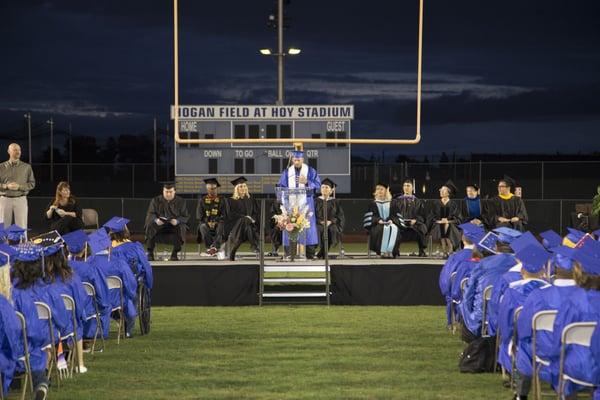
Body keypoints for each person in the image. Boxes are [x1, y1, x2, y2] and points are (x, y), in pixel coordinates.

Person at [513, 245, 578, 400]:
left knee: (523, 343)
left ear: (554, 270)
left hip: (548, 352)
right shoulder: (588, 298)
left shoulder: (538, 296)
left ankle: (521, 394)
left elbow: (524, 330)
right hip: (582, 353)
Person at [496, 244, 549, 383]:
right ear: (543, 270)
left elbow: (505, 325)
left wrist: (508, 340)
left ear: (522, 271)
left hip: (521, 344)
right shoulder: (552, 292)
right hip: (549, 343)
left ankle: (516, 374)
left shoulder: (512, 292)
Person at [42, 242, 89, 373]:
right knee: (77, 323)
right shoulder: (71, 277)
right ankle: (80, 364)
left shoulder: (42, 279)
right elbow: (80, 300)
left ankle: (45, 368)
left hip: (46, 325)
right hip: (68, 325)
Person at [277, 150, 321, 259]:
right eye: (295, 160)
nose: (297, 162)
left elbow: (318, 184)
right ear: (292, 160)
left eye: (299, 160)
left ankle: (310, 253)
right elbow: (281, 187)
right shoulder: (287, 172)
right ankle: (289, 253)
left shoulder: (310, 171)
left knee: (307, 226)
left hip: (306, 203)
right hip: (291, 204)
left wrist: (306, 182)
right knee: (289, 224)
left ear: (303, 159)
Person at [144, 182, 189, 261]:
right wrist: (156, 220)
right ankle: (150, 252)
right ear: (163, 191)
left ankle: (174, 253)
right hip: (159, 225)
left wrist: (177, 221)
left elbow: (185, 216)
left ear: (174, 191)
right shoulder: (156, 200)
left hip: (173, 226)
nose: (168, 194)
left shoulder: (181, 201)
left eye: (170, 192)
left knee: (182, 226)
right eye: (166, 192)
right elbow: (150, 213)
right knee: (150, 224)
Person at [223, 177, 260, 261]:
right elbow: (230, 215)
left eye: (244, 186)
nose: (243, 188)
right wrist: (245, 217)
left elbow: (255, 213)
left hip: (250, 225)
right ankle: (254, 245)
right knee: (245, 221)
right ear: (236, 189)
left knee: (248, 227)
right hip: (235, 225)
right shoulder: (231, 200)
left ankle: (233, 251)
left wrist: (252, 219)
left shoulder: (251, 199)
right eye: (240, 186)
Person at [0, 143, 35, 229]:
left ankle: (23, 243)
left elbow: (32, 184)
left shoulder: (26, 167)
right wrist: (6, 186)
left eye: (19, 150)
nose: (18, 152)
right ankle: (3, 243)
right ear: (9, 151)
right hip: (5, 199)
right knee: (3, 226)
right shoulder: (1, 167)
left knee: (22, 226)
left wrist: (19, 187)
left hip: (20, 199)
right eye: (15, 150)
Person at [364, 183, 400, 258]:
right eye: (378, 189)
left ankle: (390, 251)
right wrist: (378, 220)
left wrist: (392, 220)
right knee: (381, 229)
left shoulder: (392, 203)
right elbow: (370, 216)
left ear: (386, 191)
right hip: (377, 224)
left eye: (381, 189)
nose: (379, 191)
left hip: (390, 223)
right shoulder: (373, 204)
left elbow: (396, 216)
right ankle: (381, 252)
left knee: (394, 228)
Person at [427, 180, 462, 258]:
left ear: (448, 193)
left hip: (452, 226)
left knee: (447, 225)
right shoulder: (435, 203)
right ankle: (450, 248)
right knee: (442, 225)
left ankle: (445, 250)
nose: (441, 191)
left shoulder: (454, 204)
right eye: (440, 190)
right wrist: (439, 221)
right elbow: (431, 216)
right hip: (437, 225)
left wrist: (448, 221)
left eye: (443, 190)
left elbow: (458, 218)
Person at [394, 178, 428, 257]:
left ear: (412, 188)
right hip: (401, 224)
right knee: (394, 227)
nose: (406, 187)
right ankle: (395, 250)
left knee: (422, 227)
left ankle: (421, 250)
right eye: (405, 185)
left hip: (414, 224)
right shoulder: (397, 201)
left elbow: (422, 215)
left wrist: (415, 220)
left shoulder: (417, 201)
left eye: (408, 186)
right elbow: (394, 213)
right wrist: (400, 220)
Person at [314, 178, 345, 259]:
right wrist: (320, 221)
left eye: (327, 187)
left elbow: (340, 216)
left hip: (331, 224)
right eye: (322, 187)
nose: (324, 189)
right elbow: (312, 215)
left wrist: (331, 221)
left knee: (333, 229)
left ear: (331, 190)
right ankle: (320, 253)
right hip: (318, 223)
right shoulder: (315, 201)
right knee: (318, 229)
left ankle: (321, 253)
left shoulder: (335, 202)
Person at [196, 178, 227, 257]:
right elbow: (199, 215)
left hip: (219, 223)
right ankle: (211, 248)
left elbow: (225, 214)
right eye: (209, 188)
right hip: (206, 223)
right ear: (207, 189)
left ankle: (213, 248)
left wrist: (216, 221)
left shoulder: (222, 200)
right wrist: (207, 222)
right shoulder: (202, 200)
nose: (211, 190)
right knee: (202, 226)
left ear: (216, 188)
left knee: (221, 225)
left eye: (213, 188)